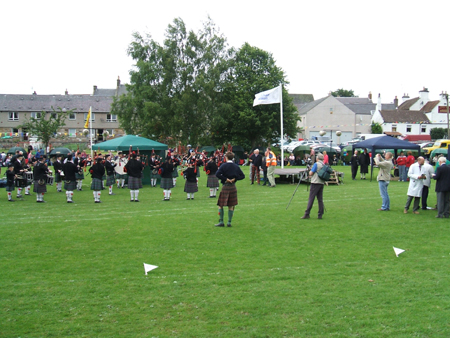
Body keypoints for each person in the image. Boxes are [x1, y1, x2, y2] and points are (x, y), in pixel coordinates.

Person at [215, 151, 245, 227]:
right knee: (231, 205)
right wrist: (235, 179)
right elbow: (242, 176)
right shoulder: (236, 166)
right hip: (233, 186)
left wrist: (226, 179)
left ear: (226, 157)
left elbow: (217, 174)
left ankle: (221, 222)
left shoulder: (223, 166)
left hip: (225, 186)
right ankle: (229, 222)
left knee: (220, 205)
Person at [301, 153, 325, 219]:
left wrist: (310, 170)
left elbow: (311, 173)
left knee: (311, 198)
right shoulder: (323, 164)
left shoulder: (316, 164)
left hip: (315, 182)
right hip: (321, 183)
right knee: (320, 199)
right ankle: (320, 214)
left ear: (317, 158)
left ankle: (307, 213)